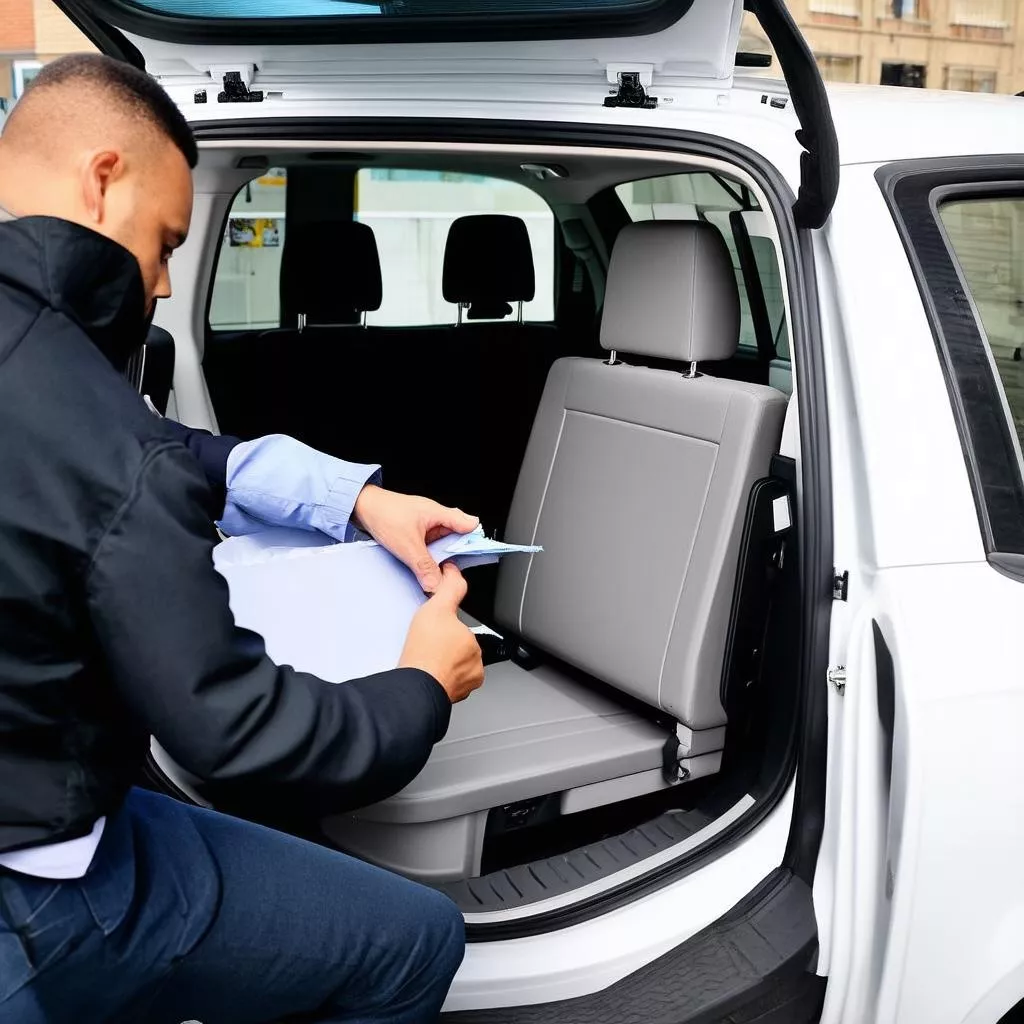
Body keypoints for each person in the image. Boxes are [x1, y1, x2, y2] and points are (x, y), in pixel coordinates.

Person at [0, 53, 486, 1024]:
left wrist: (354, 500)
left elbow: (158, 453)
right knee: (416, 940)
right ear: (103, 180)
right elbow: (237, 730)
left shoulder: (57, 393)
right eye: (164, 243)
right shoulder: (101, 435)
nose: (160, 285)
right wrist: (423, 686)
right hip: (44, 895)